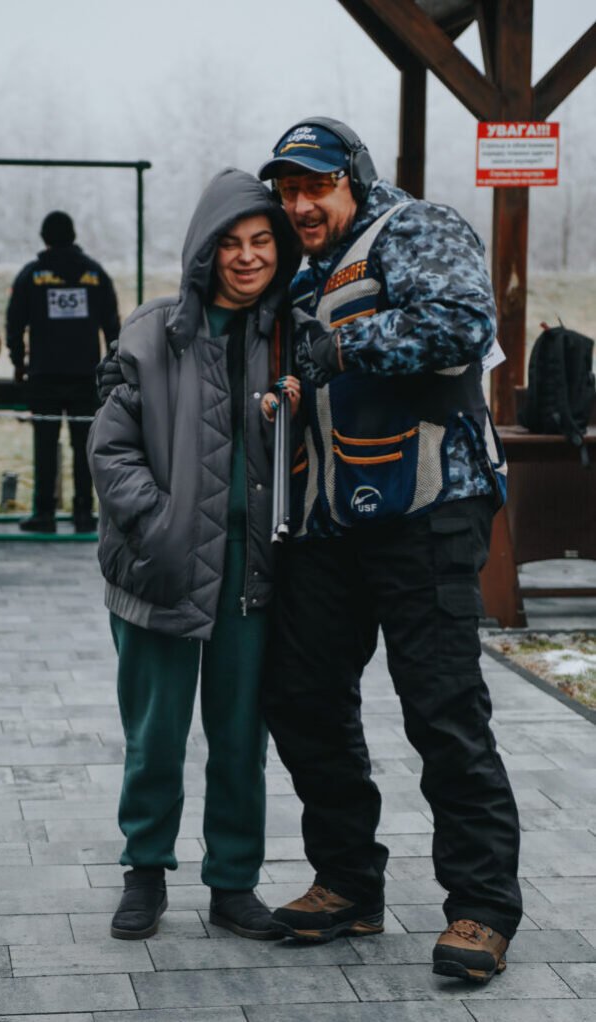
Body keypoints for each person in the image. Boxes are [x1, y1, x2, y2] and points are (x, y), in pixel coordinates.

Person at [254, 118, 522, 983]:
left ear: (355, 180)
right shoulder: (305, 272)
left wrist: (341, 346)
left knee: (443, 711)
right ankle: (348, 883)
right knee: (302, 697)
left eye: (316, 186)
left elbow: (462, 322)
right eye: (289, 191)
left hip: (430, 511)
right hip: (332, 523)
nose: (300, 204)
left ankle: (482, 908)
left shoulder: (416, 227)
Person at [88, 168, 301, 941]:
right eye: (230, 242)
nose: (247, 257)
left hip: (252, 572)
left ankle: (233, 884)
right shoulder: (154, 333)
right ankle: (144, 872)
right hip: (163, 568)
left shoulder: (292, 337)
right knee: (155, 736)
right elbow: (110, 448)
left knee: (241, 739)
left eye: (262, 241)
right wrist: (160, 525)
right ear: (204, 250)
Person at [6, 211, 120, 534]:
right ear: (73, 236)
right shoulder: (95, 274)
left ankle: (44, 513)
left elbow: (14, 324)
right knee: (85, 446)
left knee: (45, 445)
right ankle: (83, 512)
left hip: (44, 375)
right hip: (86, 376)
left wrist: (19, 363)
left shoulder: (31, 275)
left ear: (44, 237)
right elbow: (113, 327)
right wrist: (111, 367)